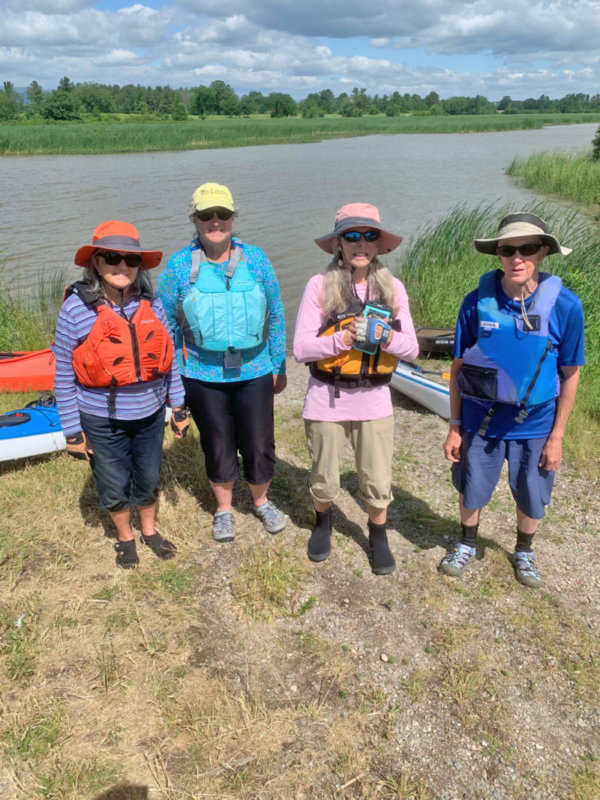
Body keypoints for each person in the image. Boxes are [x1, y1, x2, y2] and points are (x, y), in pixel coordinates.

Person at [441, 212, 585, 588]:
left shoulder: (566, 307)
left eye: (528, 248)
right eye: (508, 249)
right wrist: (454, 427)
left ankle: (524, 550)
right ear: (498, 255)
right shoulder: (475, 303)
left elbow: (570, 374)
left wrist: (557, 437)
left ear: (543, 253)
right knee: (472, 487)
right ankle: (467, 543)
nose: (517, 257)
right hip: (481, 420)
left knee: (531, 493)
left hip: (535, 423)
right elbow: (457, 369)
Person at [54, 220, 189, 569]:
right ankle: (125, 538)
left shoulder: (152, 304)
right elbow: (64, 375)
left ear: (139, 266)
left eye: (131, 259)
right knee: (113, 483)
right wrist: (72, 430)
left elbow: (169, 359)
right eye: (112, 257)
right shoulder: (75, 309)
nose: (122, 266)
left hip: (149, 415)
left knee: (147, 476)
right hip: (101, 418)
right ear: (96, 263)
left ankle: (149, 530)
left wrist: (178, 405)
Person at [293, 203, 419, 574]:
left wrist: (387, 338)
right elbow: (300, 348)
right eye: (351, 236)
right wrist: (339, 341)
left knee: (377, 479)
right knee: (324, 475)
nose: (360, 243)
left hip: (375, 401)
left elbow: (411, 348)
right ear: (339, 243)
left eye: (369, 236)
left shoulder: (393, 288)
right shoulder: (320, 285)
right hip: (326, 399)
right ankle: (323, 523)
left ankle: (377, 535)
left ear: (379, 243)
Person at [157, 182, 287, 542]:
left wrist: (280, 364)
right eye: (206, 215)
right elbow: (166, 324)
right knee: (216, 443)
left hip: (256, 369)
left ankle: (260, 501)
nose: (215, 221)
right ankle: (224, 510)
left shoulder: (257, 259)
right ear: (195, 220)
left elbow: (276, 315)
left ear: (233, 218)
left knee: (259, 443)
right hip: (200, 373)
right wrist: (173, 381)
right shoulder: (180, 265)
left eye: (223, 214)